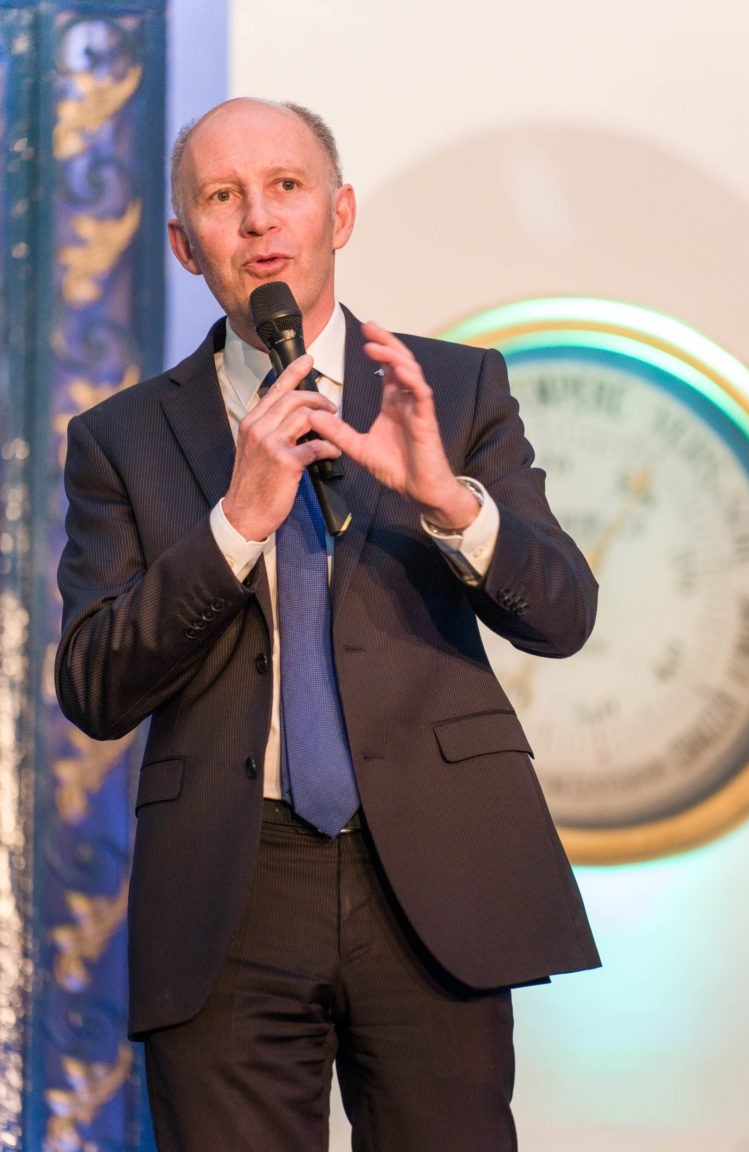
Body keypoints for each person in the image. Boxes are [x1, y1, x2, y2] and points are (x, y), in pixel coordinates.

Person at [56, 97, 600, 1152]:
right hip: (228, 884)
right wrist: (234, 525)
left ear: (339, 213)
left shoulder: (451, 387)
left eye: (286, 188)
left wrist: (448, 501)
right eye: (222, 198)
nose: (259, 220)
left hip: (434, 872)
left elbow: (564, 613)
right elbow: (93, 685)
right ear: (183, 244)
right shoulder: (119, 439)